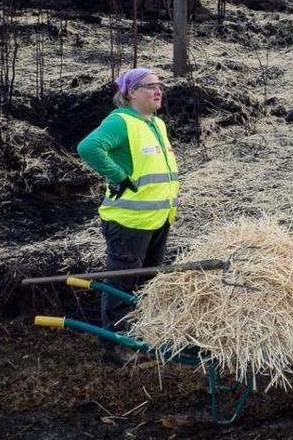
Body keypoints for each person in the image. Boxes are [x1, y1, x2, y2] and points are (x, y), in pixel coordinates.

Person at [77, 67, 179, 365]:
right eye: (149, 86)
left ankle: (141, 337)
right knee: (121, 284)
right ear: (131, 93)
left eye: (159, 85)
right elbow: (88, 147)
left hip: (158, 218)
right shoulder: (121, 121)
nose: (157, 90)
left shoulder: (156, 124)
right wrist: (117, 176)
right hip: (128, 223)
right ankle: (117, 345)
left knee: (148, 283)